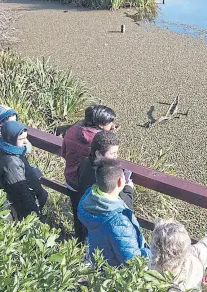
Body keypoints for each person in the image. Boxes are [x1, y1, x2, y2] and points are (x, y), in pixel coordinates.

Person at [78, 159, 149, 266]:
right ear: (120, 182)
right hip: (115, 274)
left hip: (101, 263)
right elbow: (132, 261)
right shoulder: (119, 222)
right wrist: (150, 253)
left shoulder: (89, 199)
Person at [62, 104, 117, 237]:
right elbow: (109, 163)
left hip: (71, 180)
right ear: (100, 124)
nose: (113, 126)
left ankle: (79, 243)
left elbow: (64, 153)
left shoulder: (72, 130)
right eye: (110, 123)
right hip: (91, 187)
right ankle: (90, 248)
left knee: (78, 214)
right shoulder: (100, 141)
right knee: (93, 220)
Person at [76, 130, 133, 243]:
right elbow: (126, 205)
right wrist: (128, 188)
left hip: (88, 222)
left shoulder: (85, 163)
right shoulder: (104, 176)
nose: (116, 157)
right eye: (112, 153)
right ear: (98, 153)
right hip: (105, 229)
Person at [0, 121, 48, 220]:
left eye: (26, 137)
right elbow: (21, 193)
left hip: (31, 196)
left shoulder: (10, 149)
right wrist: (34, 215)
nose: (25, 142)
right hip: (27, 205)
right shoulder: (11, 162)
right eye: (21, 139)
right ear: (11, 138)